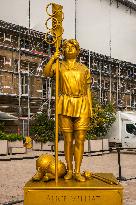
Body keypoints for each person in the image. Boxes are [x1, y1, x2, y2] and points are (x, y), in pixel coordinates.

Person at [43, 39, 92, 182]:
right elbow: (46, 73)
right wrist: (53, 58)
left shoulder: (84, 68)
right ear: (63, 50)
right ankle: (69, 170)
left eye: (73, 47)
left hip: (82, 103)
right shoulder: (59, 66)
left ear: (78, 50)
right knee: (68, 140)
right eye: (67, 47)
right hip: (65, 103)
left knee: (80, 140)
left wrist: (90, 107)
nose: (70, 49)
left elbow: (88, 90)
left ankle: (77, 171)